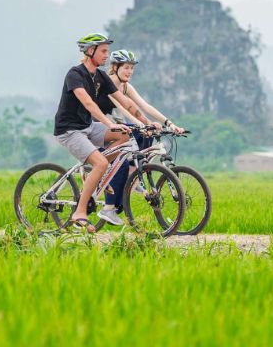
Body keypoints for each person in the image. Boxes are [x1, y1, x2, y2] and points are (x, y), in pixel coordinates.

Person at [53, 33, 159, 233]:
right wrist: (110, 124)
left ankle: (100, 175)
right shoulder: (75, 74)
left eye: (107, 51)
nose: (106, 55)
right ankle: (80, 212)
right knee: (101, 162)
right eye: (103, 51)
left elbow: (125, 100)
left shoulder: (100, 75)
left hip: (88, 127)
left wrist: (146, 123)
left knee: (126, 136)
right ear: (90, 51)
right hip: (69, 130)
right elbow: (88, 103)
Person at [98, 49, 185, 217]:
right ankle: (110, 206)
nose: (130, 72)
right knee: (123, 158)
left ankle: (134, 174)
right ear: (115, 67)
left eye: (132, 68)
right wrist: (141, 124)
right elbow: (126, 108)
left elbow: (144, 106)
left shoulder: (126, 86)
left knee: (148, 134)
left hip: (119, 127)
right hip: (101, 127)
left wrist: (169, 123)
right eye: (126, 68)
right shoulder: (108, 83)